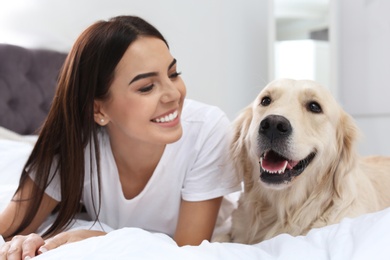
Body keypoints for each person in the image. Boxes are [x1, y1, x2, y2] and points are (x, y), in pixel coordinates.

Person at [0, 15, 240, 259]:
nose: (173, 94)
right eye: (147, 87)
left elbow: (187, 251)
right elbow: (9, 226)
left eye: (174, 74)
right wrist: (22, 242)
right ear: (99, 110)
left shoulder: (206, 130)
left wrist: (101, 238)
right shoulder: (76, 143)